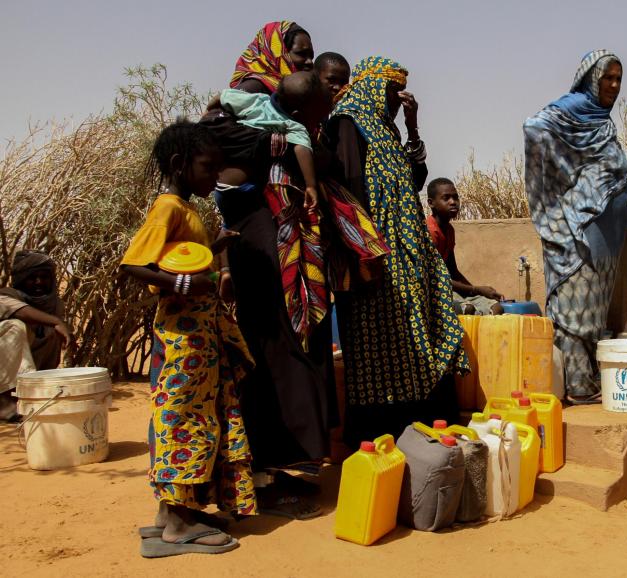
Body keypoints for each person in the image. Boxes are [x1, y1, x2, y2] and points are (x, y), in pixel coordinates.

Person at [215, 20, 334, 520]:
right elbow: (215, 143)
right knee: (270, 338)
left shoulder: (289, 107)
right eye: (300, 54)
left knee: (292, 336)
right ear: (276, 52)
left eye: (309, 55)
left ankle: (285, 463)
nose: (306, 61)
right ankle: (267, 468)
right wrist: (268, 147)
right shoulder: (246, 92)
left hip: (282, 232)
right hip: (255, 232)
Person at [121, 119, 254, 558]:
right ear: (180, 164)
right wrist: (182, 286)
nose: (214, 177)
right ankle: (178, 524)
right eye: (207, 167)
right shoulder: (168, 208)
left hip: (198, 334)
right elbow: (134, 265)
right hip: (183, 338)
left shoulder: (186, 209)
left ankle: (174, 513)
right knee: (183, 417)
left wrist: (214, 249)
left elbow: (182, 260)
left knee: (195, 415)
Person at [324, 56, 465, 445]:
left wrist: (412, 125)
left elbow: (416, 179)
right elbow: (349, 193)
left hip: (406, 258)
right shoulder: (349, 124)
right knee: (378, 349)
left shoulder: (385, 130)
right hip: (376, 259)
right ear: (373, 85)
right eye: (392, 88)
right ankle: (378, 437)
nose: (398, 96)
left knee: (422, 336)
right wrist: (363, 254)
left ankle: (420, 429)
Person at [524, 50, 627, 404]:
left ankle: (586, 381)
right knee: (574, 308)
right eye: (607, 78)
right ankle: (579, 387)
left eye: (618, 78)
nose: (614, 86)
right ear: (591, 79)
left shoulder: (600, 120)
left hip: (603, 238)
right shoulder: (571, 109)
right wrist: (571, 181)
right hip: (576, 231)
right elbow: (534, 127)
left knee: (592, 310)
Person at [214, 71, 334, 213]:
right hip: (246, 189)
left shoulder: (257, 101)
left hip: (221, 184)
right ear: (298, 115)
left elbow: (222, 96)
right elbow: (302, 150)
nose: (318, 125)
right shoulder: (293, 126)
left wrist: (208, 110)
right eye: (318, 118)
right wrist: (310, 186)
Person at [0, 251, 72, 422]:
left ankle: (36, 394)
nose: (39, 282)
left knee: (53, 332)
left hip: (27, 379)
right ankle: (3, 402)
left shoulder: (53, 305)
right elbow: (21, 311)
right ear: (21, 279)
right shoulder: (6, 295)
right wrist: (56, 321)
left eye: (44, 276)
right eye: (32, 277)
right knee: (14, 327)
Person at [425, 177, 504, 315]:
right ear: (431, 203)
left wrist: (477, 290)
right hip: (434, 290)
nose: (453, 202)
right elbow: (435, 277)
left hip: (449, 286)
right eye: (446, 198)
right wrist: (477, 289)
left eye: (455, 198)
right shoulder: (430, 231)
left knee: (495, 307)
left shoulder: (449, 230)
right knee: (467, 309)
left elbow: (452, 271)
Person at [231, 21, 314, 94]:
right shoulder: (253, 88)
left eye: (311, 56)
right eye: (301, 54)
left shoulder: (294, 91)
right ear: (277, 53)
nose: (310, 62)